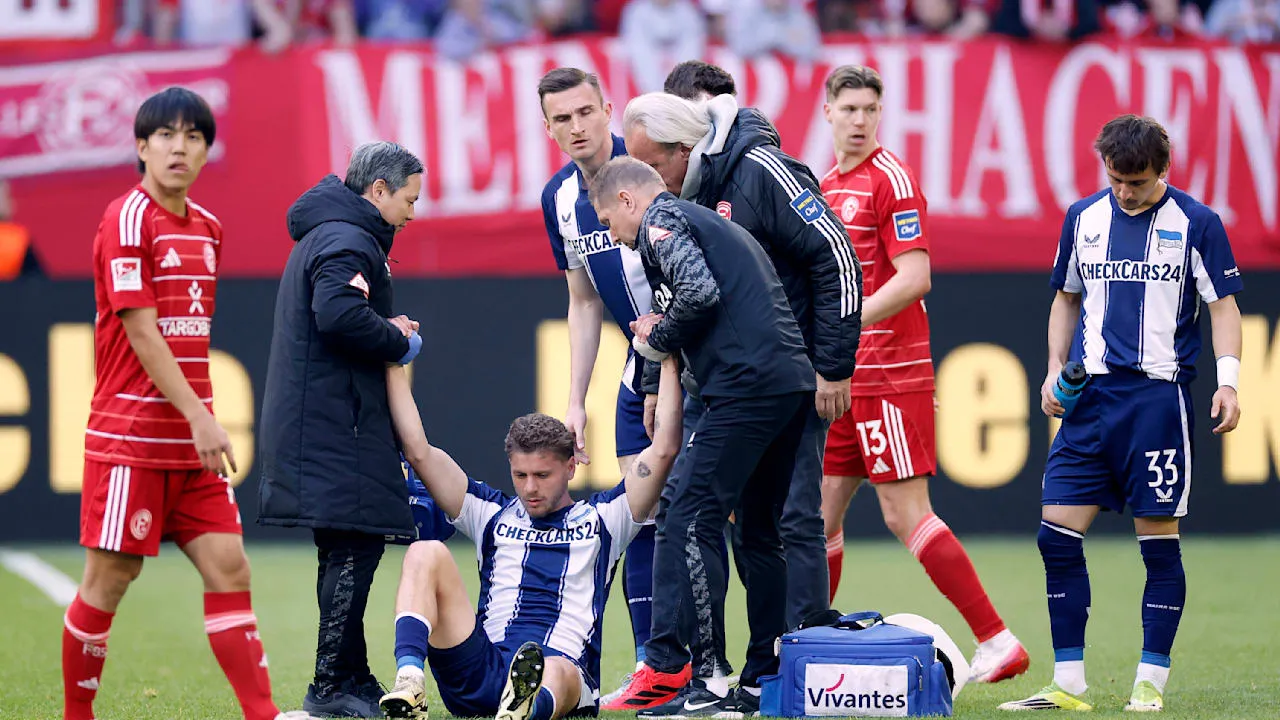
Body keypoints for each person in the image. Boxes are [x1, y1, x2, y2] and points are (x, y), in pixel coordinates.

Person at [620, 89, 862, 715]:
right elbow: (682, 296)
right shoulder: (681, 195)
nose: (650, 180)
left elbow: (837, 254)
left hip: (779, 378)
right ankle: (745, 673)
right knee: (741, 525)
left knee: (779, 520)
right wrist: (656, 383)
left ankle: (768, 672)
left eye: (654, 165)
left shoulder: (759, 170)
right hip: (729, 381)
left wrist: (833, 365)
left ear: (684, 148)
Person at [63, 87, 300, 720]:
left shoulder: (210, 228)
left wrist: (198, 417)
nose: (179, 146)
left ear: (205, 150)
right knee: (109, 582)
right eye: (165, 135)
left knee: (230, 567)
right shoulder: (128, 218)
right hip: (131, 438)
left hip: (192, 446)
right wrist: (200, 414)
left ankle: (263, 714)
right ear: (141, 147)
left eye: (193, 136)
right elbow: (141, 329)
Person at [1000, 115, 1243, 713]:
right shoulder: (1083, 218)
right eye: (1115, 180)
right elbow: (1065, 297)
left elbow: (1224, 307)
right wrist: (1054, 369)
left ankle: (1149, 681)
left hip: (1156, 403)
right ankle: (1069, 683)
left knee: (1157, 545)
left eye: (1136, 181)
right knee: (1055, 536)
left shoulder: (1198, 224)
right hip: (1091, 403)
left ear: (1163, 170)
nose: (1124, 192)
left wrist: (1229, 382)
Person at [817, 64, 1030, 685]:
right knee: (818, 513)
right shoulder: (826, 183)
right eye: (849, 109)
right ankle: (804, 639)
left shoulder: (892, 180)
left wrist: (846, 321)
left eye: (870, 110)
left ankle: (997, 640)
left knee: (903, 513)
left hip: (889, 370)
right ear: (827, 109)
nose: (860, 121)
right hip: (844, 376)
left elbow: (915, 278)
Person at [593, 156, 821, 717]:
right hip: (790, 383)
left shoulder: (660, 224)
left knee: (687, 519)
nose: (611, 236)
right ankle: (763, 680)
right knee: (761, 534)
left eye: (607, 221)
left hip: (745, 390)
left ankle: (711, 679)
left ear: (627, 200)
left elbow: (696, 296)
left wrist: (652, 340)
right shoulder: (705, 222)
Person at [375, 354, 686, 720]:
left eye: (542, 475)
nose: (530, 488)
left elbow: (664, 449)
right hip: (482, 666)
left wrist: (667, 358)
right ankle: (410, 681)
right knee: (426, 552)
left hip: (560, 677)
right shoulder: (491, 512)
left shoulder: (604, 518)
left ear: (571, 466)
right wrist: (394, 359)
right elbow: (418, 451)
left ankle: (524, 708)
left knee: (557, 668)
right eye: (520, 476)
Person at [257, 141, 425, 717]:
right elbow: (337, 313)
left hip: (325, 419)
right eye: (408, 199)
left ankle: (349, 674)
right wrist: (399, 337)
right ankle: (331, 684)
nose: (411, 211)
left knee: (344, 546)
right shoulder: (348, 238)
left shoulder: (332, 232)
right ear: (377, 192)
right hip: (338, 423)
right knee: (355, 543)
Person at [537, 67, 672, 705]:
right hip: (635, 369)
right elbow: (584, 302)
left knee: (705, 517)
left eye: (586, 111)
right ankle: (656, 668)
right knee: (639, 517)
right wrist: (573, 401)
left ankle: (729, 665)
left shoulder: (652, 171)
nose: (577, 126)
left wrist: (667, 363)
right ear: (548, 128)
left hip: (688, 365)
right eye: (562, 118)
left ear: (609, 109)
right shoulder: (558, 199)